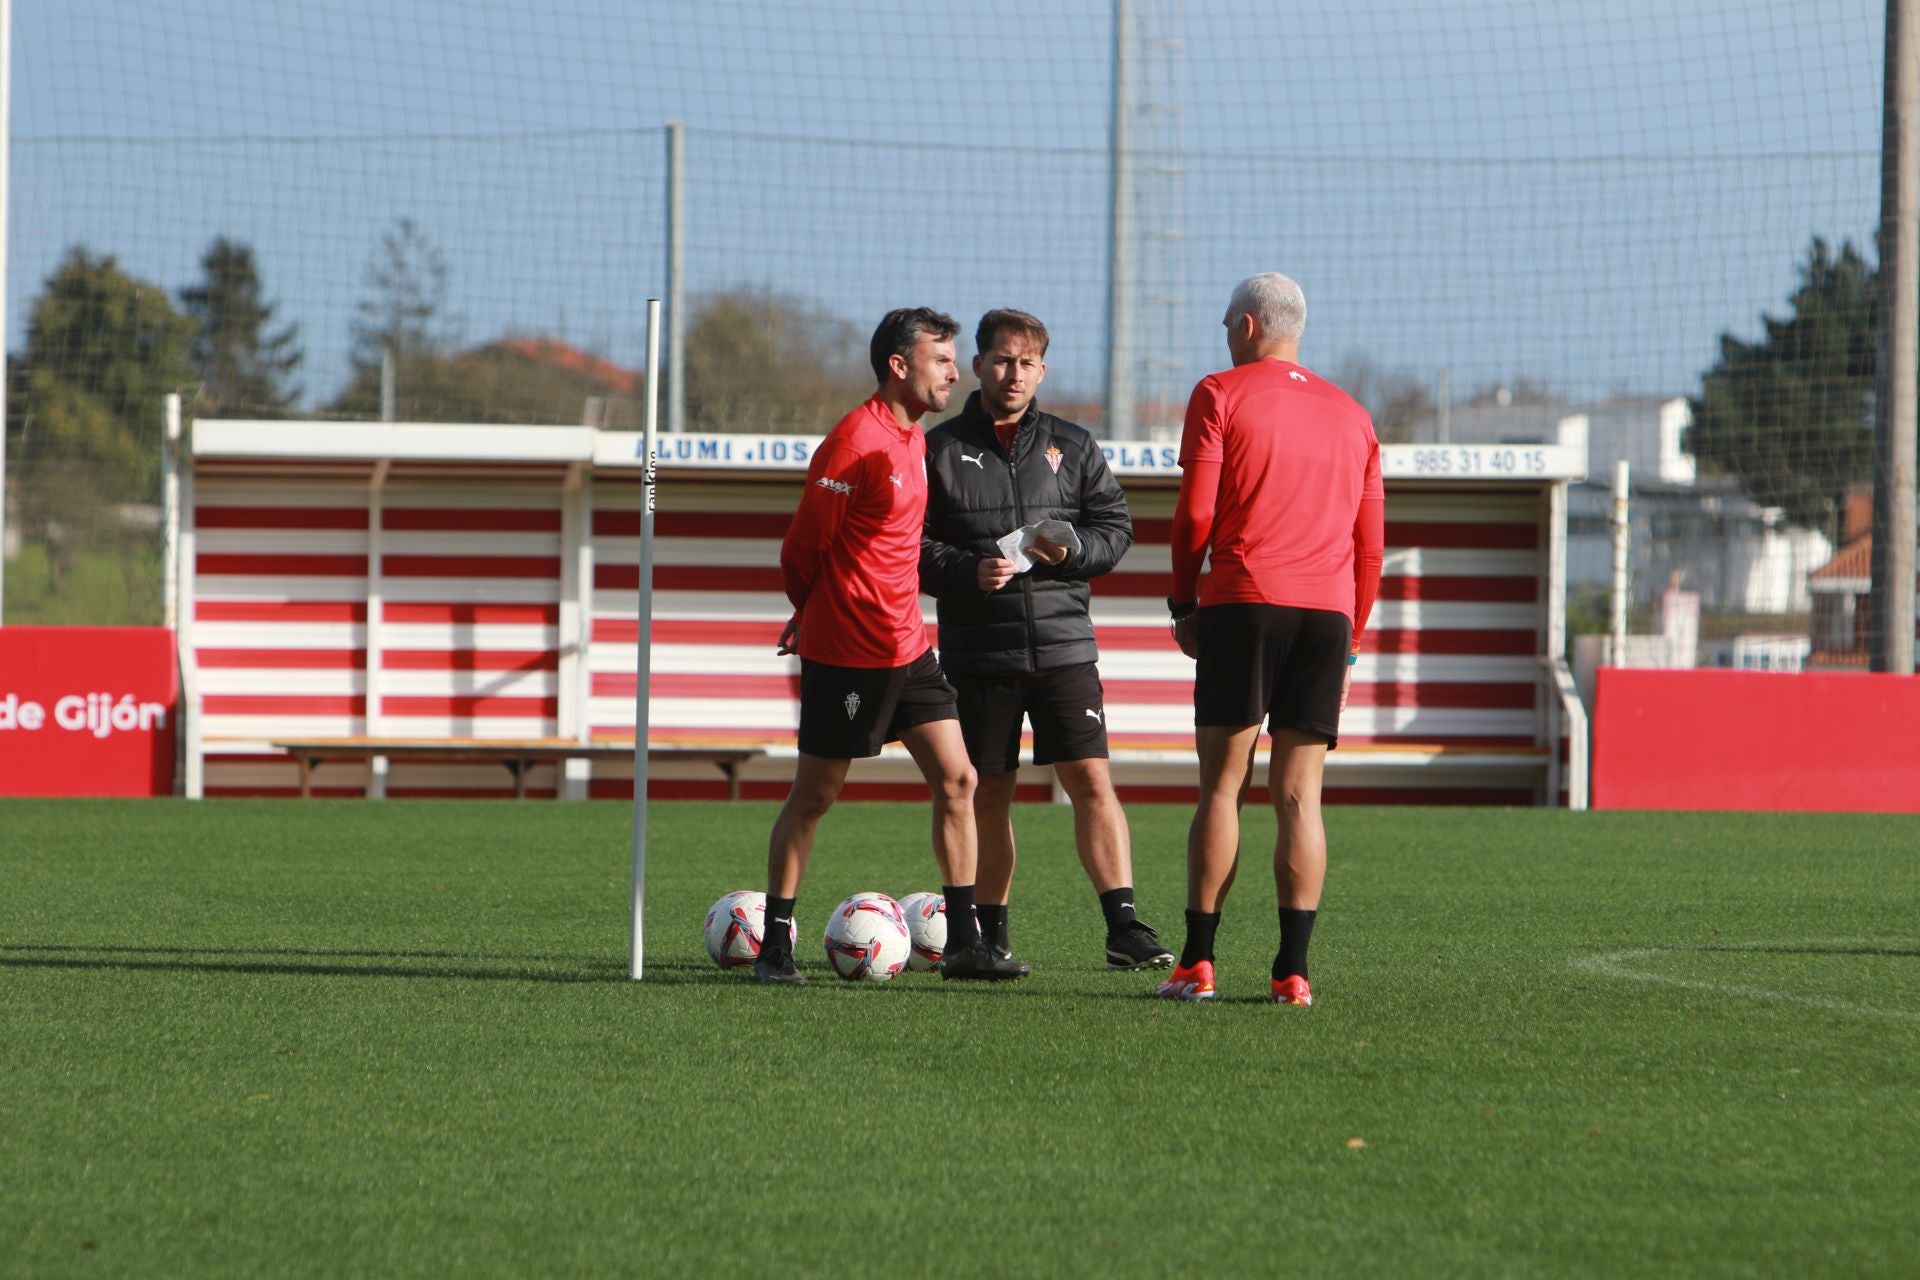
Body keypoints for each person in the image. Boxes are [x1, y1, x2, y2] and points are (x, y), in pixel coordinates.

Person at [755, 306, 1029, 986]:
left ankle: (965, 945)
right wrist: (812, 612)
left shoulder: (914, 441)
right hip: (848, 655)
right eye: (940, 360)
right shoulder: (855, 442)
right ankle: (775, 946)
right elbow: (802, 550)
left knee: (961, 780)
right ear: (899, 367)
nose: (951, 373)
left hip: (910, 650)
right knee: (816, 796)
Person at [1156, 274, 1385, 1006]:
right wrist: (1350, 641)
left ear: (1250, 326)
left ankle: (1197, 962)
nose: (1225, 337)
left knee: (1224, 785)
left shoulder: (1219, 392)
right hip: (1327, 616)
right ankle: (1293, 972)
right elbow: (1371, 548)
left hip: (1243, 602)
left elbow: (1194, 514)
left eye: (1228, 325)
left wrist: (1182, 600)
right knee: (1300, 797)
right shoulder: (1354, 415)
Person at [921, 309, 1173, 972]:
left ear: (1043, 369)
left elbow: (1115, 529)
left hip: (1065, 649)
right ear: (977, 365)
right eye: (1002, 360)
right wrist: (963, 569)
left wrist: (1075, 549)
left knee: (1091, 778)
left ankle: (1124, 927)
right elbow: (912, 547)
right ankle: (988, 935)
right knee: (989, 792)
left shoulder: (1074, 445)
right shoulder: (939, 449)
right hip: (980, 653)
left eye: (1027, 362)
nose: (1013, 374)